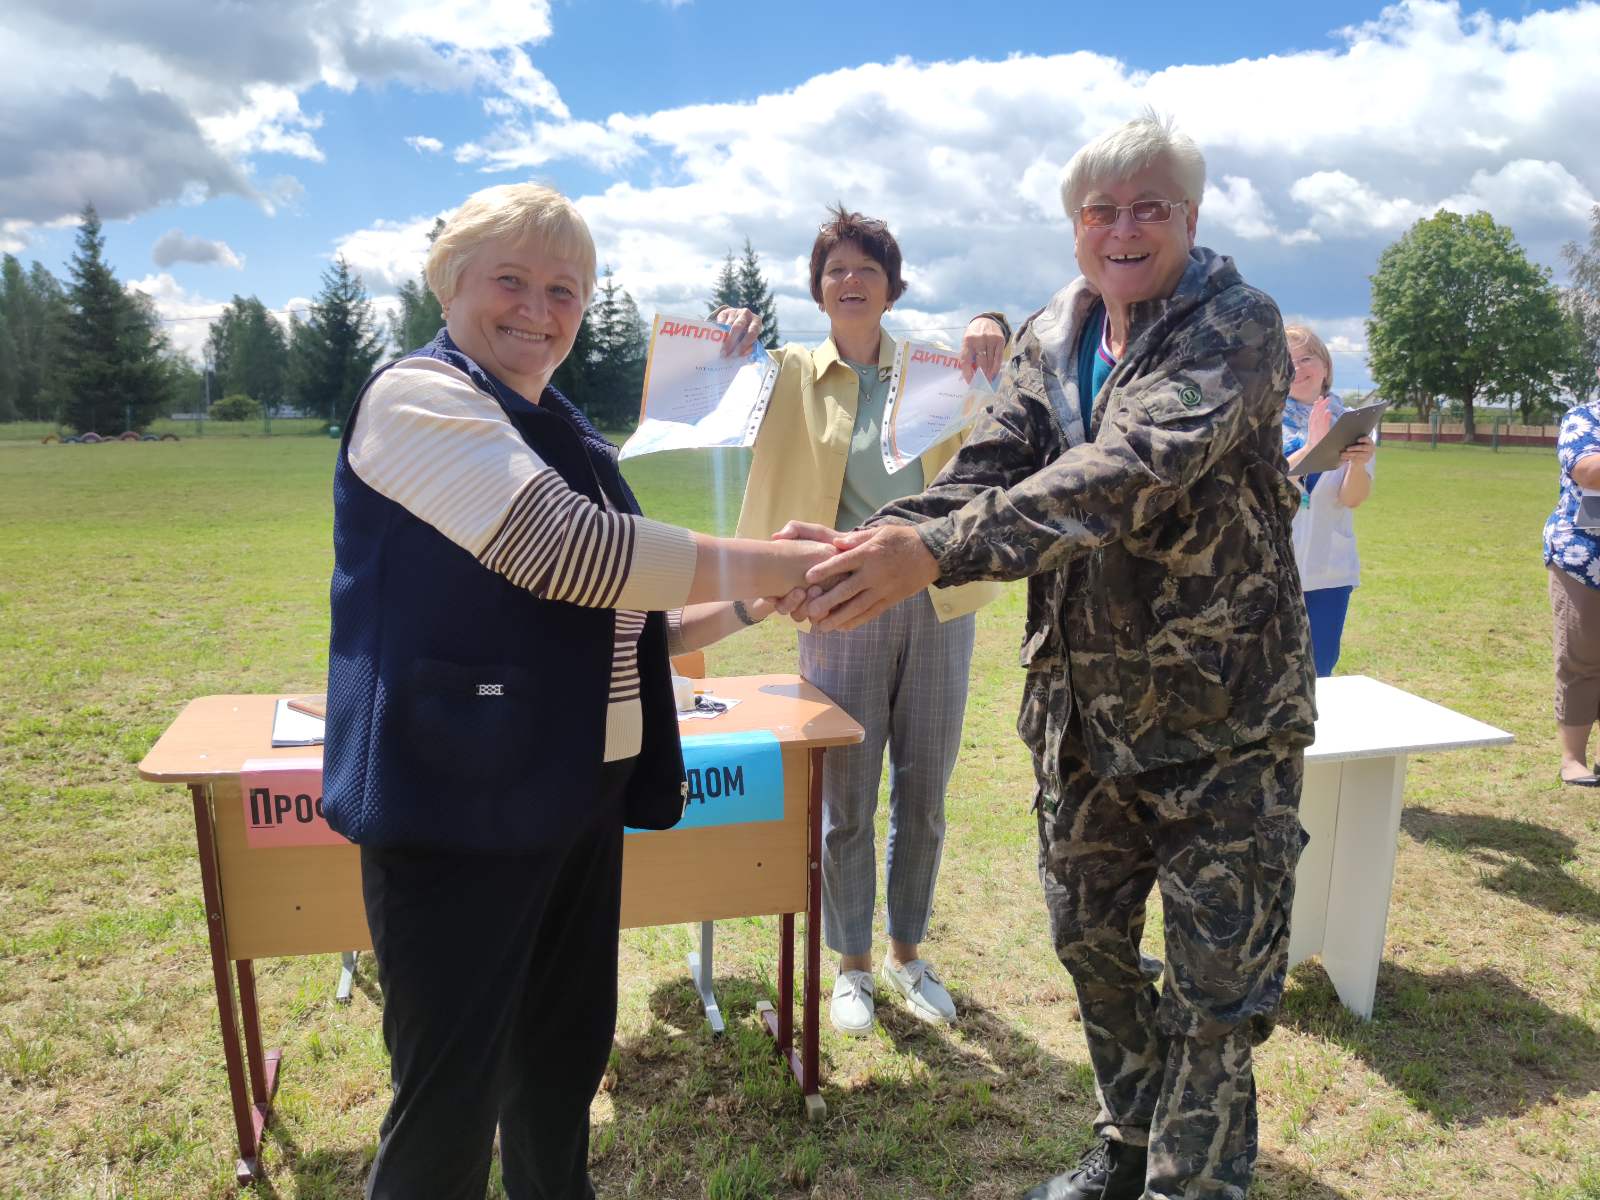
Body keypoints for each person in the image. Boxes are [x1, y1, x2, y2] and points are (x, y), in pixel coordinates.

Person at [783, 114, 1316, 1200]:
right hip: (1082, 721)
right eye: (1099, 211)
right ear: (1076, 229)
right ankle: (1127, 1145)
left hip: (1221, 725)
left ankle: (1192, 1182)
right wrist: (859, 548)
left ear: (1189, 219)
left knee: (1215, 991)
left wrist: (924, 552)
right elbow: (987, 466)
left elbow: (1129, 471)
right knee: (1093, 948)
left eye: (1147, 208)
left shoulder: (1235, 324)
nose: (1121, 230)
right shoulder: (1050, 333)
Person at [321, 182, 832, 1200]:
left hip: (570, 800)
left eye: (565, 289)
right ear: (448, 280)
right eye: (509, 279)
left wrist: (749, 606)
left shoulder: (554, 426)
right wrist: (772, 565)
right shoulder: (417, 397)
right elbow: (572, 556)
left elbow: (624, 627)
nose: (538, 308)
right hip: (455, 808)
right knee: (447, 1110)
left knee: (557, 1075)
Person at [712, 205, 1005, 1036]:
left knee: (926, 789)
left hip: (939, 594)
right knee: (846, 794)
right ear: (818, 289)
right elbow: (714, 385)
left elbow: (1009, 390)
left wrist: (992, 326)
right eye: (835, 269)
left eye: (866, 269)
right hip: (837, 597)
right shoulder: (787, 372)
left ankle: (907, 953)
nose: (850, 281)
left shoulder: (939, 370)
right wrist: (728, 331)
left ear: (891, 288)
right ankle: (850, 965)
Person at [1280, 324, 1375, 676]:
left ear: (1325, 366)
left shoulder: (1352, 423)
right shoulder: (1262, 419)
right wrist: (1310, 447)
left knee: (1319, 671)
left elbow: (1352, 498)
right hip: (1272, 567)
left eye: (1307, 358)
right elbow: (1262, 480)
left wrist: (1359, 464)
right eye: (1287, 362)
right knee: (1269, 672)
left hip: (1327, 572)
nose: (1299, 369)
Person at [1543, 371, 1600, 787]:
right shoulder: (1583, 418)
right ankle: (1573, 759)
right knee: (1582, 657)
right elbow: (1588, 472)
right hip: (1583, 556)